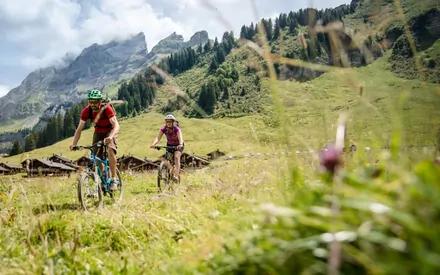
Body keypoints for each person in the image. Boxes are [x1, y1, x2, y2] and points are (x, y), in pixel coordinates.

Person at [69, 90, 120, 190]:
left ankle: (113, 178)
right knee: (96, 157)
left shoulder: (107, 108)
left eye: (95, 102)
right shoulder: (86, 111)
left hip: (110, 131)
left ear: (100, 101)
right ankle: (103, 179)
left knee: (110, 150)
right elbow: (79, 129)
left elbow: (116, 125)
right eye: (90, 102)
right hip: (98, 132)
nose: (93, 104)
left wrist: (111, 137)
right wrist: (74, 144)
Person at [150, 114, 184, 181]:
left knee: (176, 157)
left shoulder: (176, 129)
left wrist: (180, 144)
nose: (168, 123)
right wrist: (153, 144)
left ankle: (176, 175)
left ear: (173, 122)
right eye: (167, 121)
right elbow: (158, 137)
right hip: (169, 145)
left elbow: (180, 137)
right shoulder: (164, 129)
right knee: (168, 160)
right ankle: (169, 174)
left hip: (178, 145)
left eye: (170, 121)